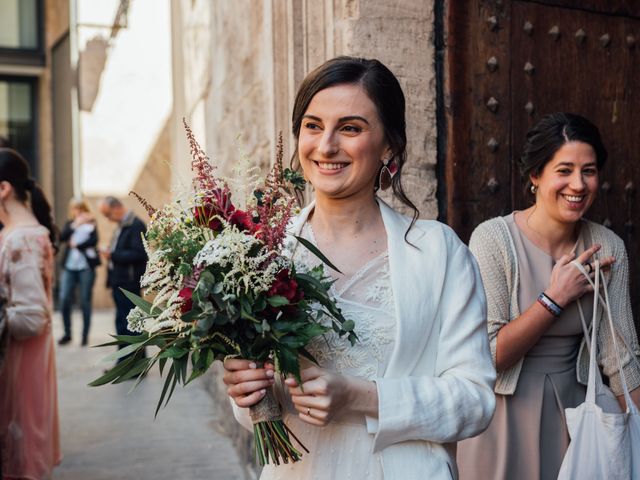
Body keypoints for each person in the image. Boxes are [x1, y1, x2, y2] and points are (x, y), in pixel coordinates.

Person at [222, 56, 496, 479]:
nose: (326, 145)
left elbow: (475, 402)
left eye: (350, 128)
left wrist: (363, 398)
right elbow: (254, 416)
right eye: (313, 126)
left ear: (389, 145)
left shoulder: (439, 252)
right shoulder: (259, 254)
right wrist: (248, 393)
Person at [456, 113, 640, 480]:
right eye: (565, 170)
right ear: (535, 176)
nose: (578, 184)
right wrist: (554, 298)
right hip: (500, 420)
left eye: (589, 171)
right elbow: (487, 355)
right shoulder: (493, 240)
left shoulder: (607, 246)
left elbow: (620, 357)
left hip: (577, 420)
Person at [0, 148, 62, 479]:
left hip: (19, 364)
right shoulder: (22, 234)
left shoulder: (21, 239)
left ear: (3, 188)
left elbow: (30, 317)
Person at [98, 196, 147, 354]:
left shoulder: (135, 225)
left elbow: (139, 254)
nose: (107, 218)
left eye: (107, 214)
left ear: (117, 208)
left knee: (131, 324)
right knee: (122, 323)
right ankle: (125, 361)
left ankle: (133, 364)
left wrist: (112, 254)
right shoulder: (122, 225)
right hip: (119, 281)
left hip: (129, 282)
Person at [58, 198, 100, 346]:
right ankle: (67, 333)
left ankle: (84, 336)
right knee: (64, 299)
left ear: (85, 209)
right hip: (69, 267)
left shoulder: (91, 223)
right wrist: (76, 225)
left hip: (86, 268)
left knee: (85, 301)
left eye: (80, 209)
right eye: (75, 209)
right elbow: (61, 237)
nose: (78, 212)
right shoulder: (70, 224)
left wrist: (77, 244)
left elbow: (94, 241)